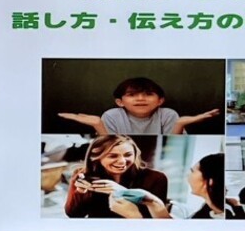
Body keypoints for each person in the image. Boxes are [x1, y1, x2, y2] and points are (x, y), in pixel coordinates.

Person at [58, 76, 219, 135]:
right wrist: (98, 125)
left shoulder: (168, 115)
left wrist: (179, 124)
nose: (140, 99)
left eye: (148, 94)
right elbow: (111, 147)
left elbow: (173, 144)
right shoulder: (111, 116)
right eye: (132, 95)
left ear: (160, 101)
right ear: (120, 102)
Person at [64, 134, 168, 218]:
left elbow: (156, 220)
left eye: (128, 155)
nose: (122, 161)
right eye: (113, 156)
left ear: (136, 154)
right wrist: (80, 193)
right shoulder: (83, 175)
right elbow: (73, 215)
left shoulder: (156, 178)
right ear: (96, 157)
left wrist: (123, 192)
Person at [116, 152, 245, 219]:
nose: (188, 176)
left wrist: (135, 217)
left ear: (210, 181)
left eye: (192, 171)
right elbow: (180, 230)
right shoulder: (210, 209)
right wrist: (152, 202)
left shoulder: (228, 216)